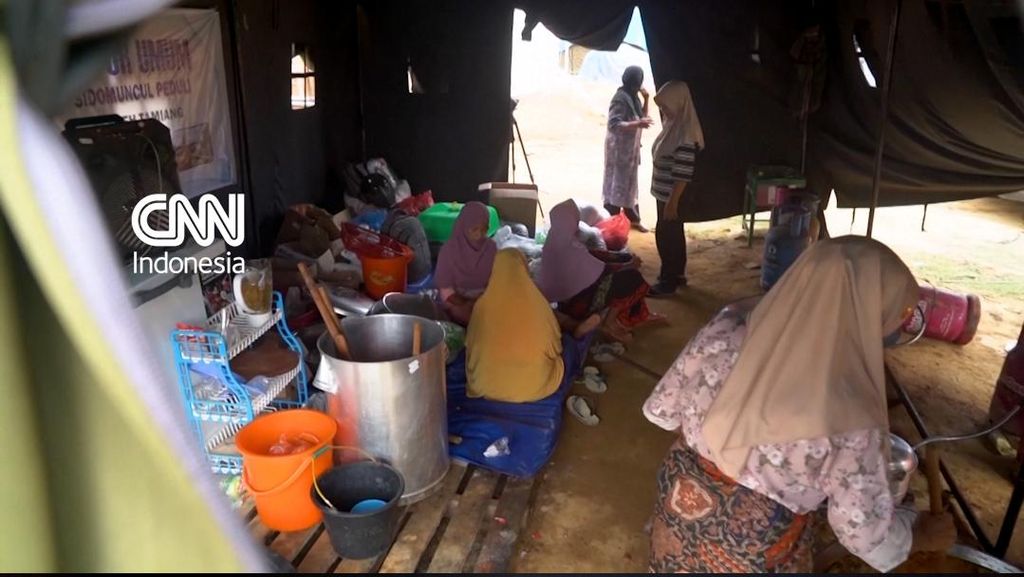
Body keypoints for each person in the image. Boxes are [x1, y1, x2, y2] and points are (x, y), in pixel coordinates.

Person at [643, 237, 957, 573]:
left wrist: (724, 442)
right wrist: (920, 535)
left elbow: (662, 410)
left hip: (679, 504)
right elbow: (863, 535)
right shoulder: (852, 413)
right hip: (753, 548)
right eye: (901, 313)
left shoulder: (726, 330)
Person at [537, 200, 663, 344]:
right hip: (580, 306)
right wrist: (629, 265)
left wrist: (622, 258)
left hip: (565, 306)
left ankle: (636, 314)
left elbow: (594, 257)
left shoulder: (553, 243)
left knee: (622, 261)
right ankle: (609, 323)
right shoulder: (571, 249)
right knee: (632, 278)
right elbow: (603, 270)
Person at [466, 249, 565, 403]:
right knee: (567, 350)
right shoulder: (538, 304)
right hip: (534, 387)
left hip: (486, 386)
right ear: (524, 269)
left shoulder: (482, 305)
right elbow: (555, 348)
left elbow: (470, 344)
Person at [648, 81, 704, 296]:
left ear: (678, 103)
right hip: (665, 195)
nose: (663, 110)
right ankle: (677, 274)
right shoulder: (674, 128)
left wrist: (672, 202)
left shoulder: (685, 135)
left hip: (671, 197)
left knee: (666, 237)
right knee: (673, 234)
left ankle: (667, 282)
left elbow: (683, 173)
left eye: (666, 105)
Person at [602, 66, 653, 233]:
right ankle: (613, 220)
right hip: (618, 151)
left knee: (630, 185)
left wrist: (646, 99)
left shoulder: (633, 97)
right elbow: (614, 124)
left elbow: (642, 117)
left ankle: (633, 219)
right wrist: (637, 123)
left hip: (630, 151)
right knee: (616, 185)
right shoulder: (620, 98)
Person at [434, 202, 496, 325]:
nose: (479, 234)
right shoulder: (449, 250)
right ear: (463, 226)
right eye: (474, 229)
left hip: (485, 297)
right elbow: (446, 289)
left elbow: (496, 279)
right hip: (457, 299)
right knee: (471, 318)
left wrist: (483, 300)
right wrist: (467, 303)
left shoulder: (491, 248)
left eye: (484, 229)